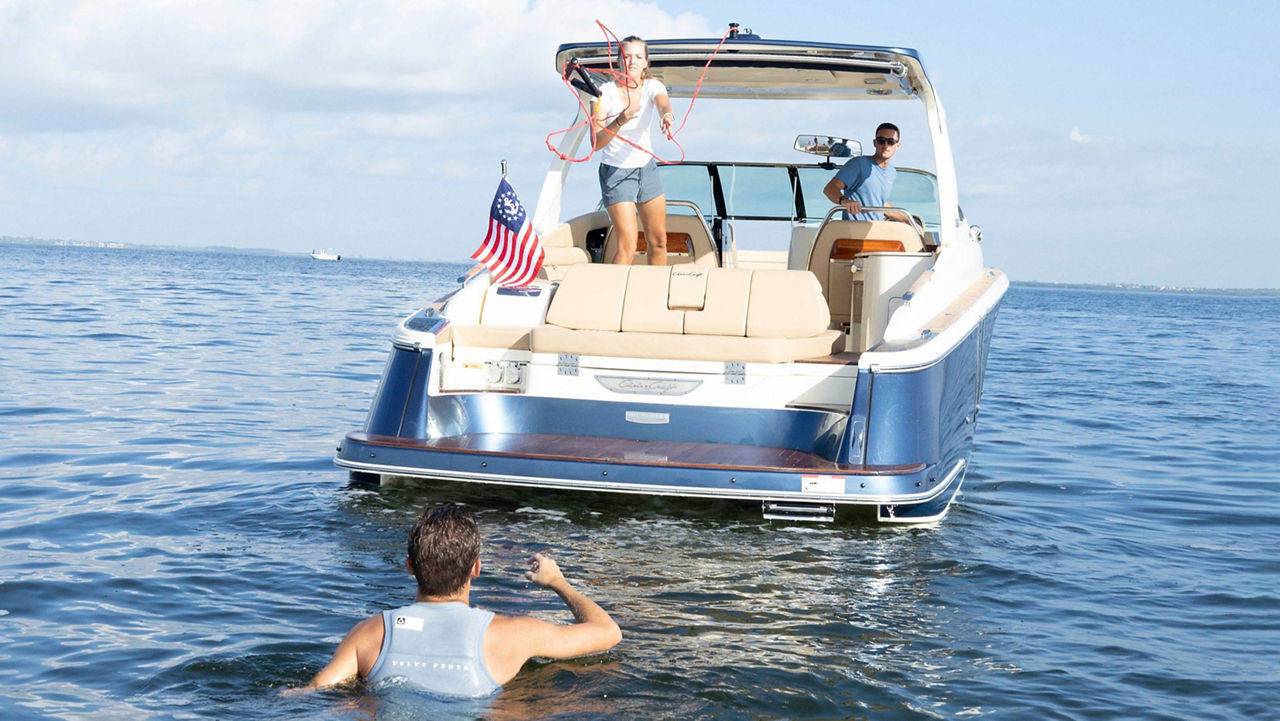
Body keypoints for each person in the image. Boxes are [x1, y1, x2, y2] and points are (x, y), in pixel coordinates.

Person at [298, 504, 622, 697]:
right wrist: (558, 583)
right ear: (476, 569)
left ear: (410, 566)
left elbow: (310, 694)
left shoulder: (371, 633)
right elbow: (608, 633)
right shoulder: (514, 634)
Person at [591, 35, 676, 265]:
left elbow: (663, 103)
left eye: (638, 57)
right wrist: (619, 120)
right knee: (628, 245)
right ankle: (613, 296)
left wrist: (666, 116)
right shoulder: (603, 93)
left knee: (659, 240)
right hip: (616, 173)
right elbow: (596, 142)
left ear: (646, 62)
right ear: (618, 61)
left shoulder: (653, 86)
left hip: (646, 170)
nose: (632, 62)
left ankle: (656, 294)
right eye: (627, 56)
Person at [822, 122, 911, 223]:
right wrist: (845, 201)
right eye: (881, 141)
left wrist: (910, 220)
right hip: (853, 231)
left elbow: (880, 202)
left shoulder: (892, 172)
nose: (886, 145)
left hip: (876, 229)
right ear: (875, 143)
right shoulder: (859, 164)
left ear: (898, 145)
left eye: (890, 142)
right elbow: (830, 188)